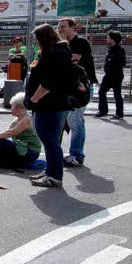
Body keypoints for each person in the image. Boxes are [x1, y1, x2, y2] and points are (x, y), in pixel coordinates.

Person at [25, 23, 75, 188]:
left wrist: (35, 97)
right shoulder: (55, 52)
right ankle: (50, 172)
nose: (35, 42)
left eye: (37, 38)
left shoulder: (55, 54)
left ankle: (55, 176)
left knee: (51, 140)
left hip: (50, 104)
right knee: (49, 141)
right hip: (50, 104)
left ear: (43, 38)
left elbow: (50, 81)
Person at [57, 17, 96, 168]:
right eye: (59, 27)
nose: (60, 29)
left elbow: (72, 61)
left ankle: (76, 155)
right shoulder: (62, 44)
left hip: (81, 88)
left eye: (64, 27)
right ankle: (63, 154)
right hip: (68, 87)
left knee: (75, 120)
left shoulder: (80, 42)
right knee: (67, 119)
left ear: (73, 28)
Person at [0, 92, 42, 168]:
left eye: (12, 106)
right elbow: (5, 134)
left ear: (19, 107)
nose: (11, 108)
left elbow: (11, 133)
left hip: (30, 152)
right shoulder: (16, 120)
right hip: (20, 148)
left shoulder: (27, 119)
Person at [96, 30, 126, 119]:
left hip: (116, 75)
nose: (106, 39)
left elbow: (122, 63)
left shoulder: (120, 50)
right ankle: (103, 110)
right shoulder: (110, 49)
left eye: (108, 37)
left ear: (113, 39)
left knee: (117, 94)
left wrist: (112, 62)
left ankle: (119, 113)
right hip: (108, 75)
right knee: (101, 92)